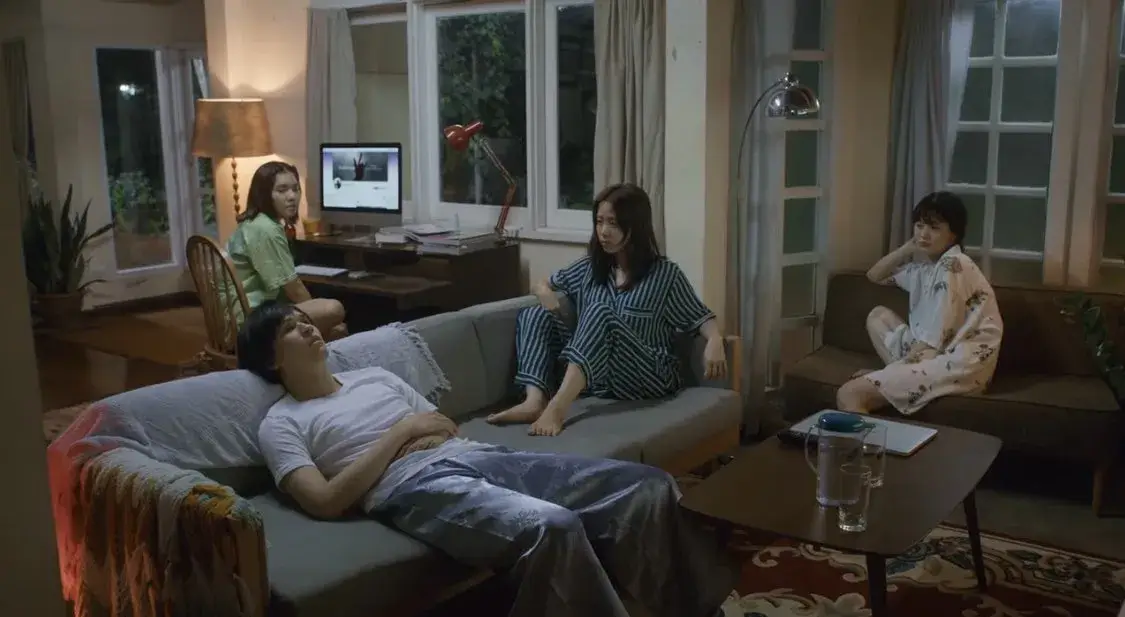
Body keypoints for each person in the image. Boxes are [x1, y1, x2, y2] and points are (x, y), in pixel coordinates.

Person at [239, 301, 736, 617]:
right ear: (271, 360)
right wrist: (402, 433)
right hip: (410, 486)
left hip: (473, 455)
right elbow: (325, 500)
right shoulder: (281, 423)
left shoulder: (374, 378)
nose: (308, 328)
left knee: (646, 485)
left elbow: (443, 425)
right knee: (552, 527)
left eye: (305, 320)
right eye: (291, 328)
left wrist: (420, 431)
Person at [486, 183, 728, 436]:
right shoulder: (590, 268)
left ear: (635, 226)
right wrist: (544, 292)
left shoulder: (665, 275)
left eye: (613, 223)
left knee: (599, 311)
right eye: (599, 222)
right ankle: (534, 401)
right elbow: (543, 283)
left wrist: (715, 339)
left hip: (649, 376)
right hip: (599, 378)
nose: (603, 232)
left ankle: (556, 408)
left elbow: (699, 316)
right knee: (534, 314)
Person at [836, 191, 1003, 415]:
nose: (923, 234)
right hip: (933, 351)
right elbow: (874, 275)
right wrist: (908, 248)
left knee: (850, 394)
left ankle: (887, 393)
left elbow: (935, 339)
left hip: (959, 361)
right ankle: (894, 376)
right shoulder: (925, 270)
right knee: (878, 316)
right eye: (919, 225)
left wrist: (884, 375)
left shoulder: (954, 265)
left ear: (953, 235)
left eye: (934, 228)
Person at [226, 161, 347, 340]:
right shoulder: (266, 229)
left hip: (239, 313)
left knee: (333, 323)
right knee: (334, 310)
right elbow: (294, 288)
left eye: (296, 189)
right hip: (249, 320)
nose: (292, 196)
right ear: (265, 194)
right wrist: (319, 315)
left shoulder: (255, 222)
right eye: (282, 190)